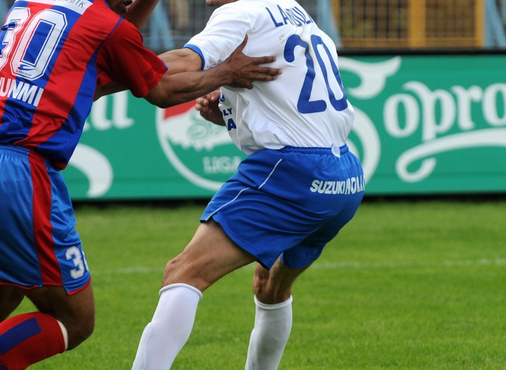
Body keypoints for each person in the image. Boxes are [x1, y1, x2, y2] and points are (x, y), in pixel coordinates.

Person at [0, 0, 280, 369]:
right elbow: (163, 90)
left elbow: (110, 39)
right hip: (18, 175)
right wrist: (228, 72)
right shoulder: (106, 26)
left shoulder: (32, 3)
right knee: (74, 320)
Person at [129, 0, 365, 369]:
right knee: (270, 288)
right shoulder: (298, 14)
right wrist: (226, 112)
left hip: (293, 173)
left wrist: (114, 62)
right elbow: (294, 107)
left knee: (184, 273)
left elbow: (184, 64)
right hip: (344, 177)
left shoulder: (240, 13)